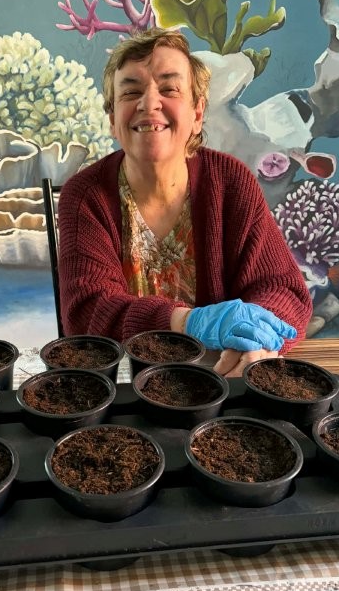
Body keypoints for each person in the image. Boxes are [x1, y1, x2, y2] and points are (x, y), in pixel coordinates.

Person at [57, 28, 312, 376]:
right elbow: (87, 313)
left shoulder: (231, 181)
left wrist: (257, 342)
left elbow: (282, 288)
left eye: (169, 89)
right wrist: (186, 322)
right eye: (131, 91)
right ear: (113, 120)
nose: (149, 103)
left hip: (220, 378)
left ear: (197, 114)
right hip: (121, 386)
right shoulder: (85, 194)